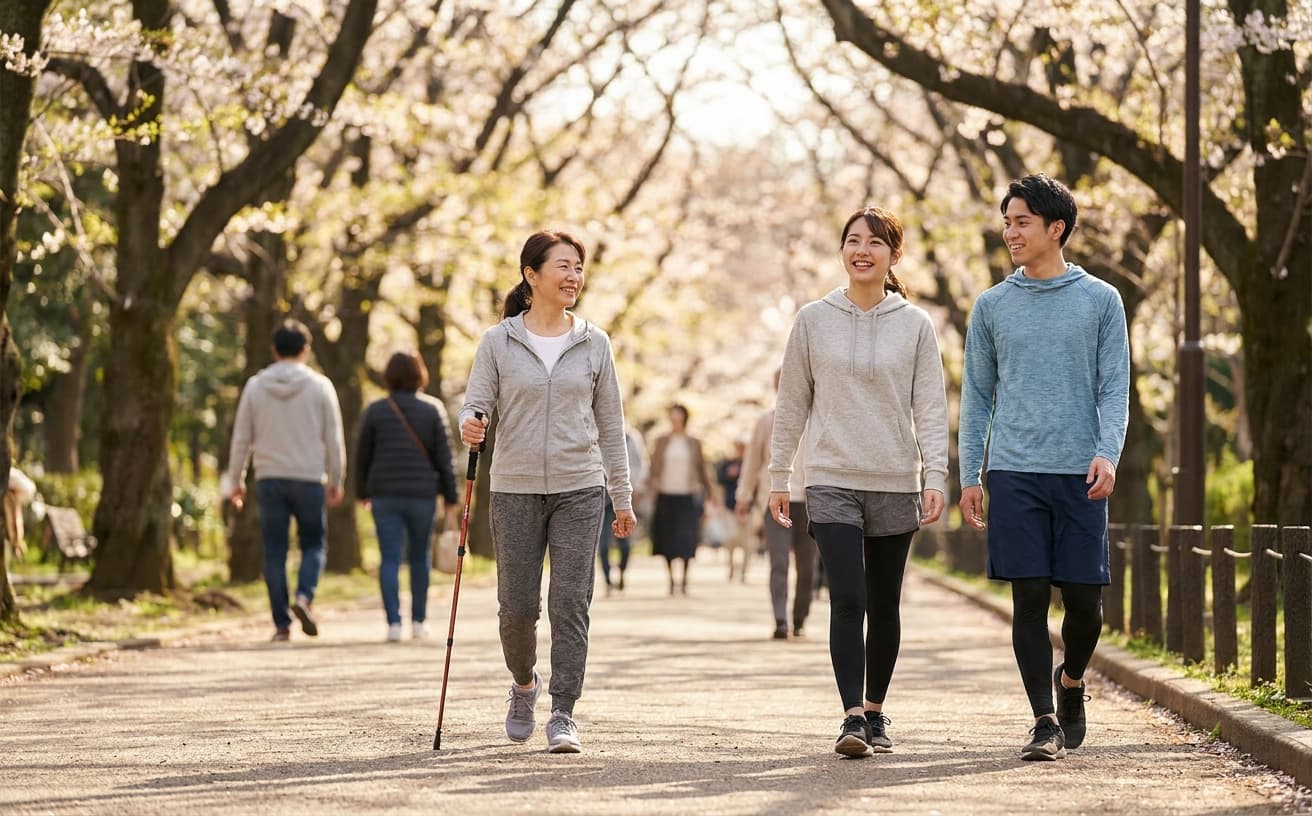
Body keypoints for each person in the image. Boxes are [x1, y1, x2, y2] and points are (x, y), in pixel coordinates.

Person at [958, 174, 1129, 762]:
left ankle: (1072, 680)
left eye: (1022, 221)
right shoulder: (992, 306)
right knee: (1029, 599)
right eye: (1007, 221)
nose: (1010, 232)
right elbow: (977, 395)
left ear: (1056, 228)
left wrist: (1108, 451)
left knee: (1085, 605)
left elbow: (1115, 387)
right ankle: (1042, 721)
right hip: (1014, 471)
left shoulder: (1101, 300)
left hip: (1081, 473)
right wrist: (969, 474)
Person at [768, 207, 948, 758]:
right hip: (829, 477)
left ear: (894, 254)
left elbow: (932, 407)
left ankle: (875, 710)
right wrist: (779, 473)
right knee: (847, 595)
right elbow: (791, 401)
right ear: (841, 250)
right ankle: (850, 717)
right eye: (852, 241)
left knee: (885, 601)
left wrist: (935, 473)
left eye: (874, 242)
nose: (861, 250)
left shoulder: (915, 324)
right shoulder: (812, 319)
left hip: (895, 477)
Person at [459, 229, 635, 754]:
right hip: (513, 487)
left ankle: (563, 711)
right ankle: (522, 685)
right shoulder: (498, 341)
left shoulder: (594, 342)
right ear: (531, 275)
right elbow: (475, 403)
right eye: (563, 266)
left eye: (578, 268)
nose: (573, 277)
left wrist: (621, 497)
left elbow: (612, 425)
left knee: (569, 603)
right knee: (517, 608)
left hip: (580, 487)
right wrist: (469, 421)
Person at [228, 319, 346, 642]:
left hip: (269, 479)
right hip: (309, 478)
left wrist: (235, 481)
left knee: (275, 551)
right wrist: (337, 478)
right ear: (306, 350)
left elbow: (241, 438)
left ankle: (281, 624)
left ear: (274, 350)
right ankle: (304, 597)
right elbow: (333, 438)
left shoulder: (255, 386)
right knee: (313, 544)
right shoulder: (321, 386)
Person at [355, 351, 460, 642]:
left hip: (385, 495)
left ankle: (393, 623)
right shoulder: (433, 409)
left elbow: (362, 456)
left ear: (388, 376)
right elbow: (445, 457)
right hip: (421, 494)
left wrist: (362, 492)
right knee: (419, 557)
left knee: (389, 558)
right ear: (420, 375)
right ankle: (418, 620)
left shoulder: (375, 411)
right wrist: (451, 495)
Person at [737, 370, 818, 640]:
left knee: (808, 568)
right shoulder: (766, 421)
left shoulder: (817, 419)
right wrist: (744, 496)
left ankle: (800, 618)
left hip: (810, 503)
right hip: (774, 502)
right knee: (779, 562)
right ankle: (781, 620)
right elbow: (752, 463)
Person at [648, 404, 713, 595]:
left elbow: (703, 470)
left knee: (686, 538)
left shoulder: (693, 442)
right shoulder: (661, 441)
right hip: (666, 494)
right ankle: (671, 579)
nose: (675, 419)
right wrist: (653, 484)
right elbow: (653, 467)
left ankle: (684, 579)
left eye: (678, 416)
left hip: (687, 495)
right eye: (672, 416)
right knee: (667, 538)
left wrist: (710, 495)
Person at [598, 424, 646, 594]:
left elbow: (640, 464)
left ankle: (622, 572)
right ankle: (608, 579)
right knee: (602, 545)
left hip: (624, 495)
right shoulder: (595, 433)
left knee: (624, 544)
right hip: (601, 496)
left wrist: (636, 489)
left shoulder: (632, 438)